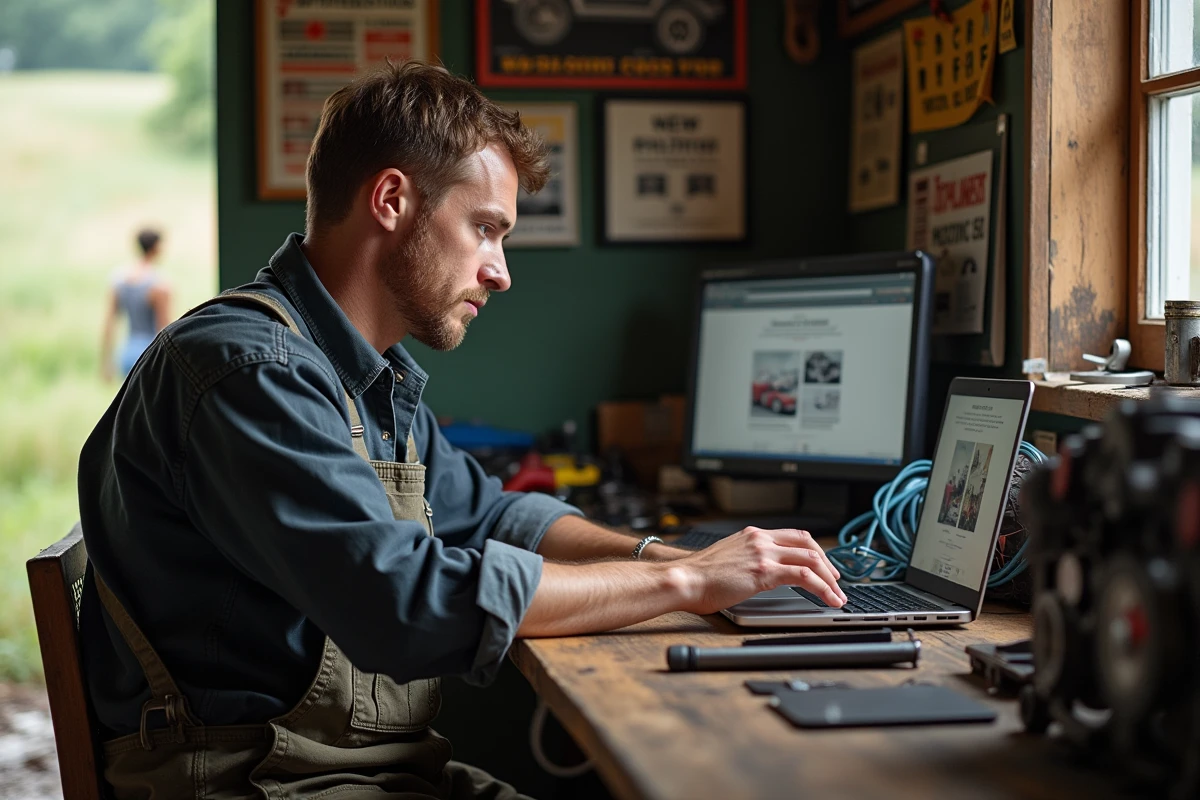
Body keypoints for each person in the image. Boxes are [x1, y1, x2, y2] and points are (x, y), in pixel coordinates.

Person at [77, 61, 846, 799]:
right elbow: (406, 603)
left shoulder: (364, 374)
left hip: (369, 776)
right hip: (257, 784)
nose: (500, 270)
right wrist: (687, 584)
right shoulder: (251, 373)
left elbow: (495, 515)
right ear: (391, 200)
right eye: (485, 228)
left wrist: (673, 557)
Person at [99, 227, 171, 381]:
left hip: (127, 352)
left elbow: (109, 323)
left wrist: (106, 362)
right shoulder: (159, 284)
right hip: (149, 353)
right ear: (156, 248)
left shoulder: (119, 280)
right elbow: (164, 328)